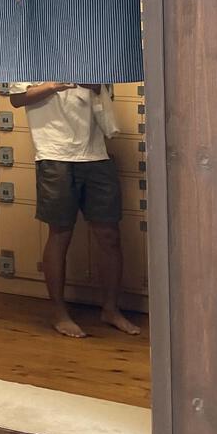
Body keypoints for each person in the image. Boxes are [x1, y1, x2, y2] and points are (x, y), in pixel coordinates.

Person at [9, 82, 139, 339]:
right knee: (60, 234)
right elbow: (17, 98)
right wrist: (57, 85)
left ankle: (111, 309)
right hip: (54, 155)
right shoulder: (30, 60)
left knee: (109, 235)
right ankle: (59, 313)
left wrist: (94, 84)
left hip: (96, 152)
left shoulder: (90, 60)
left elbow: (104, 92)